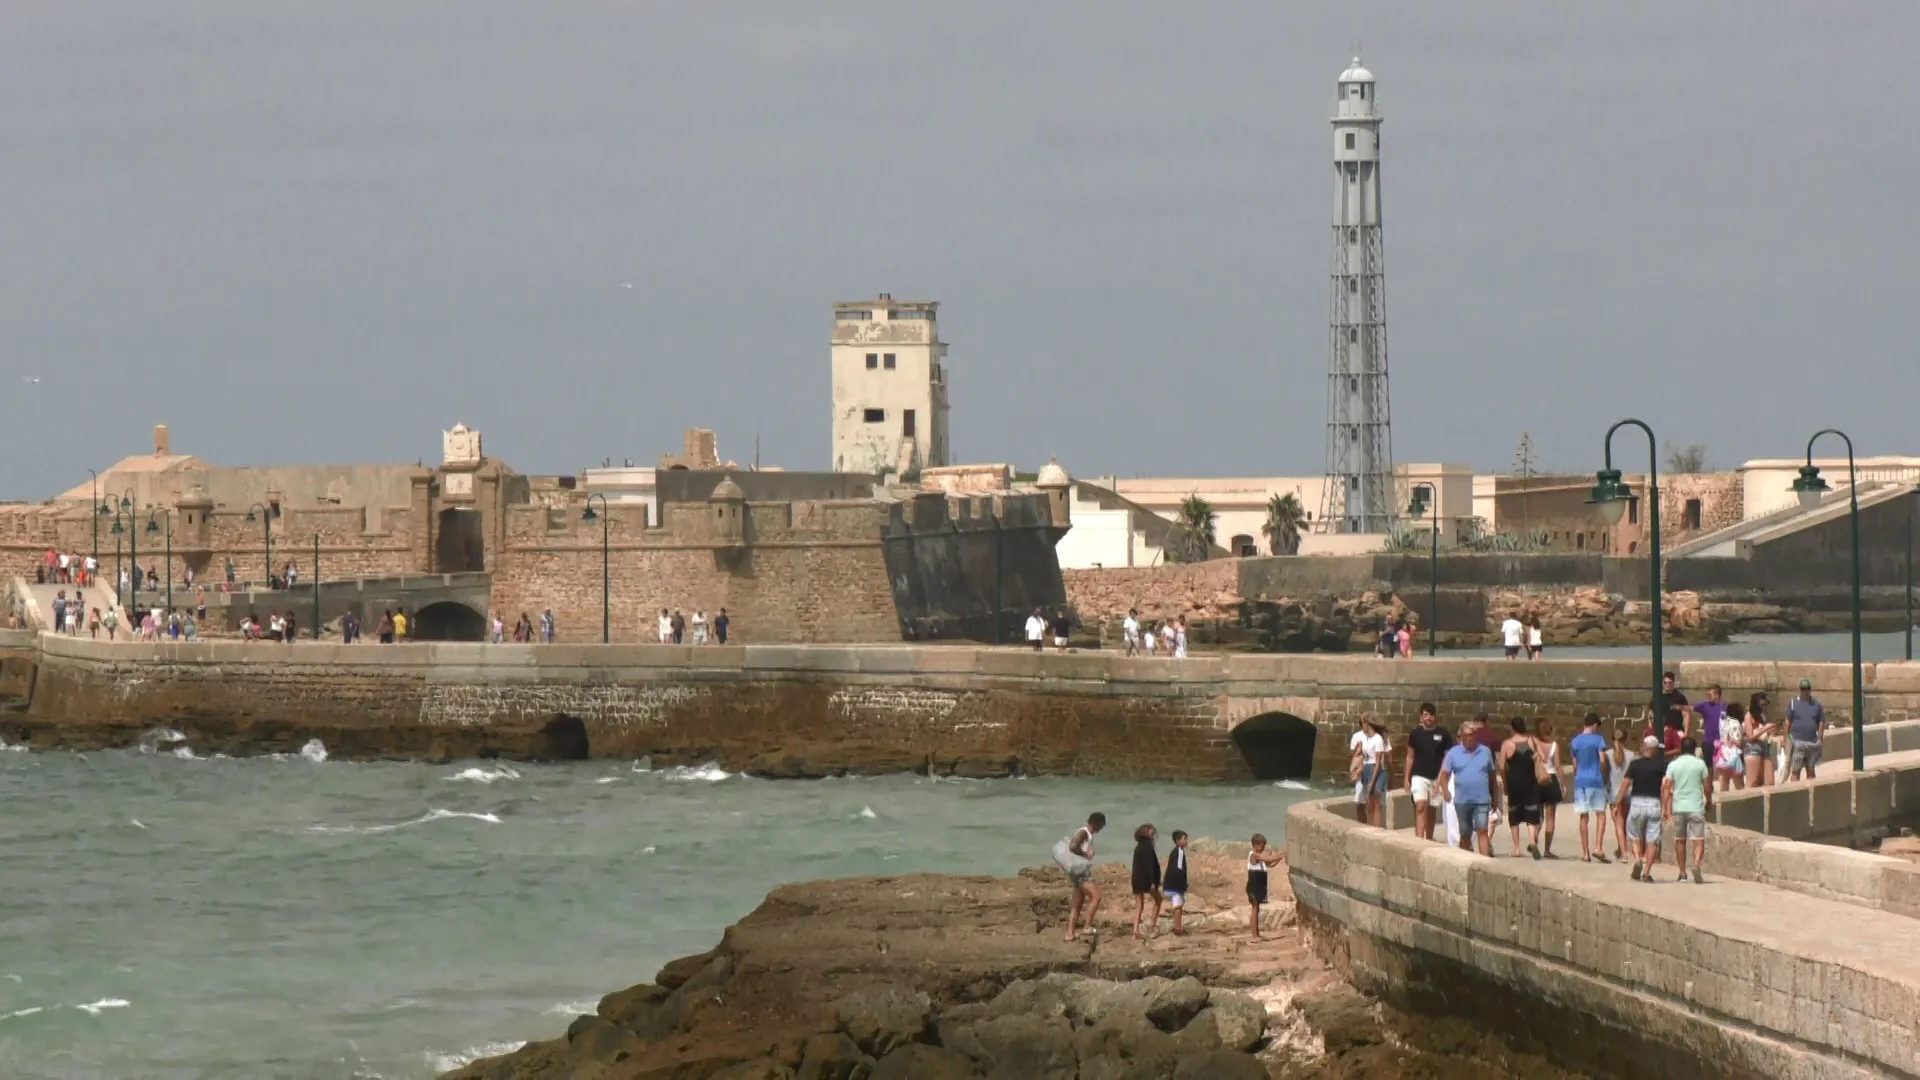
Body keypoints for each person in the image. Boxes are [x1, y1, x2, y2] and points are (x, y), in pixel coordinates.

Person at [1438, 719, 1499, 857]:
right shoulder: (1453, 753)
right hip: (1462, 801)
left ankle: (1484, 864)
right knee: (1465, 834)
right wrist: (1445, 791)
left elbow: (1492, 778)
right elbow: (1444, 775)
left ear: (1477, 736)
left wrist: (1495, 798)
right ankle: (1465, 861)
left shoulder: (1485, 752)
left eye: (1472, 734)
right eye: (1466, 735)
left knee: (1482, 830)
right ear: (1461, 736)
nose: (1469, 738)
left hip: (1482, 800)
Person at [1403, 702, 1455, 842]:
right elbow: (1410, 756)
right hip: (1418, 774)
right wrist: (1406, 778)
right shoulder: (1415, 734)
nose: (1429, 718)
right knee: (1420, 805)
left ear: (1435, 716)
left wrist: (1442, 778)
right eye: (1425, 715)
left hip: (1436, 776)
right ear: (1421, 717)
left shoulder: (1443, 734)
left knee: (1432, 808)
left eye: (1431, 715)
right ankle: (1419, 838)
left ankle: (1429, 837)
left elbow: (1448, 756)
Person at [1620, 735, 1669, 882]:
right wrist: (1666, 807)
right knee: (1652, 840)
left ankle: (1637, 858)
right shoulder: (1662, 765)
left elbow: (1626, 783)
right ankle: (1646, 873)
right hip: (1654, 802)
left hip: (1637, 802)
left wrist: (1618, 802)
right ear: (1653, 749)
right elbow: (1666, 786)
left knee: (1634, 834)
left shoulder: (1635, 764)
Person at [1052, 812, 1105, 943]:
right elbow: (1073, 846)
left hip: (1077, 873)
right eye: (1101, 825)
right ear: (1095, 823)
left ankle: (1069, 934)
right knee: (1096, 896)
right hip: (1081, 873)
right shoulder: (1084, 832)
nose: (1101, 829)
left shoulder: (1087, 834)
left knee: (1077, 905)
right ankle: (1087, 927)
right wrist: (1086, 854)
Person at [1667, 736, 1713, 883]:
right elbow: (1707, 787)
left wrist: (1665, 808)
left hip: (1679, 807)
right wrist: (1709, 802)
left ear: (1681, 749)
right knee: (1698, 839)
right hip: (1696, 807)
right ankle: (1697, 865)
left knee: (1680, 840)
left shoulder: (1673, 765)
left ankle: (1682, 873)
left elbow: (1667, 787)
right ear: (1694, 749)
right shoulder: (1700, 764)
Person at [1569, 713, 1612, 863]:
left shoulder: (1575, 741)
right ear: (1594, 725)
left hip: (1581, 780)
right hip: (1596, 780)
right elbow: (1602, 759)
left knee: (1583, 817)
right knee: (1600, 814)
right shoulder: (1598, 739)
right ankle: (1598, 847)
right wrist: (1605, 775)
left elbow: (1575, 765)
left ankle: (1585, 853)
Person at [1499, 717, 1544, 858]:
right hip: (1530, 782)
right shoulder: (1532, 740)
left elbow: (1501, 766)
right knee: (1531, 814)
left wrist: (1505, 783)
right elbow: (1542, 757)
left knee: (1514, 815)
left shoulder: (1507, 744)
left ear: (1512, 728)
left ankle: (1517, 848)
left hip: (1514, 783)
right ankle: (1532, 841)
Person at [1349, 715, 1389, 827]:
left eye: (1365, 724)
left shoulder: (1378, 739)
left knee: (1376, 800)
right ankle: (1372, 826)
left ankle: (1377, 828)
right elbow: (1361, 756)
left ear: (1369, 725)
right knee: (1369, 801)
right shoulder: (1367, 739)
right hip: (1366, 769)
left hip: (1375, 770)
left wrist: (1373, 780)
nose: (1363, 726)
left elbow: (1377, 762)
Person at [1786, 678, 1826, 781]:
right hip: (1797, 742)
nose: (1805, 691)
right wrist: (1785, 738)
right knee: (1796, 770)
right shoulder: (1793, 703)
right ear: (1800, 689)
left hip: (1812, 742)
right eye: (1803, 689)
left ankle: (1812, 791)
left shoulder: (1817, 704)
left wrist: (1820, 737)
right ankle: (1794, 792)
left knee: (1811, 769)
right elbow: (1788, 722)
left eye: (1807, 688)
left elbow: (1821, 720)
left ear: (1810, 689)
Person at [1245, 833, 1283, 942]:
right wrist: (1281, 854)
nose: (1263, 848)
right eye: (1262, 846)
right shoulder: (1254, 856)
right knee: (1254, 909)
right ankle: (1254, 936)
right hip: (1253, 885)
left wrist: (1280, 858)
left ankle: (1257, 934)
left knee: (1257, 910)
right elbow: (1269, 859)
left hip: (1260, 886)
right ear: (1255, 845)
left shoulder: (1261, 859)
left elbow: (1271, 864)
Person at [1535, 718, 1563, 857]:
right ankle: (1547, 850)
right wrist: (1563, 783)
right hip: (1551, 780)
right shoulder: (1554, 745)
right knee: (1550, 818)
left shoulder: (1535, 743)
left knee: (1537, 816)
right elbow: (1557, 766)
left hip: (1538, 780)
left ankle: (1533, 842)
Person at [1129, 824, 1162, 940]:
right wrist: (1153, 881)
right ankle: (1152, 926)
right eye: (1150, 830)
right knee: (1158, 900)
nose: (1153, 832)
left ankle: (1135, 930)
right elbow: (1150, 865)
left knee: (1139, 905)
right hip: (1147, 880)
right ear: (1146, 832)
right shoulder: (1148, 846)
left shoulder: (1138, 847)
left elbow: (1136, 866)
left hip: (1137, 879)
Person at [1744, 692, 1777, 789]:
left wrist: (1771, 731)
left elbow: (1762, 731)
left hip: (1765, 746)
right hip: (1753, 748)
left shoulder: (1762, 715)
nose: (1764, 705)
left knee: (1769, 782)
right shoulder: (1748, 715)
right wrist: (1765, 728)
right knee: (1753, 782)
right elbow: (1750, 736)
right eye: (1762, 703)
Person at [1161, 830, 1190, 937]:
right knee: (1178, 906)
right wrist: (1182, 884)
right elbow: (1178, 869)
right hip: (1175, 884)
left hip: (1171, 883)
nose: (1186, 841)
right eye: (1184, 839)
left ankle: (1177, 925)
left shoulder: (1175, 851)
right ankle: (1178, 928)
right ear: (1178, 841)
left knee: (1177, 906)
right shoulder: (1179, 852)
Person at [1714, 702, 1748, 791]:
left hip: (1724, 756)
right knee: (1740, 787)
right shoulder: (1735, 723)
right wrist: (1743, 744)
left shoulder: (1725, 723)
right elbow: (1737, 742)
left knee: (1724, 785)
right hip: (1734, 756)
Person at [1696, 684, 1728, 768]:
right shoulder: (1704, 705)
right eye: (1707, 694)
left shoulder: (1725, 707)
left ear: (1717, 695)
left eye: (1710, 694)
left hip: (1722, 741)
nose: (1708, 696)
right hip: (1708, 741)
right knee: (1708, 766)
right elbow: (1690, 707)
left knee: (1723, 766)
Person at [1661, 672, 1691, 737]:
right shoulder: (1658, 698)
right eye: (1665, 682)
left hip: (1677, 730)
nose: (1667, 684)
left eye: (1669, 682)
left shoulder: (1680, 697)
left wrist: (1686, 733)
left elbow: (1686, 715)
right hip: (1662, 731)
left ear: (1673, 683)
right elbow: (1651, 714)